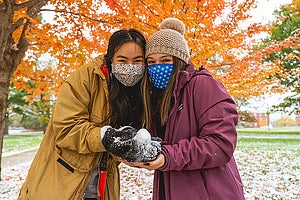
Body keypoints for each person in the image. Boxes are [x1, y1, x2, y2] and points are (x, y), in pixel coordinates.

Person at [18, 28, 146, 200]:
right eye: (122, 60)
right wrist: (105, 137)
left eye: (137, 61)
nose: (130, 68)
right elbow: (66, 128)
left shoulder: (134, 92)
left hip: (101, 185)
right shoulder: (83, 79)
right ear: (110, 59)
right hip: (62, 182)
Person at [132, 17, 245, 199]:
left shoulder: (203, 85)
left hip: (209, 192)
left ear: (179, 61)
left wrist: (167, 156)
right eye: (151, 62)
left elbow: (220, 143)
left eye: (165, 60)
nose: (157, 67)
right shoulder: (158, 96)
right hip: (171, 188)